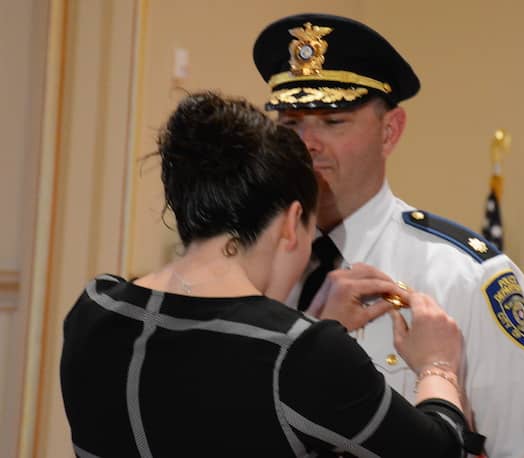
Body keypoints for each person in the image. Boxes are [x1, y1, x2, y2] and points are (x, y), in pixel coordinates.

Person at [60, 92, 486, 457]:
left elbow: (222, 392)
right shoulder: (302, 353)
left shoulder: (96, 307)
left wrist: (315, 334)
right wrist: (437, 366)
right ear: (291, 221)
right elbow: (440, 450)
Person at [253, 13, 524, 457]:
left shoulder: (466, 276)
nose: (308, 143)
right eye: (291, 124)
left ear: (390, 131)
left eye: (333, 122)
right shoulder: (251, 264)